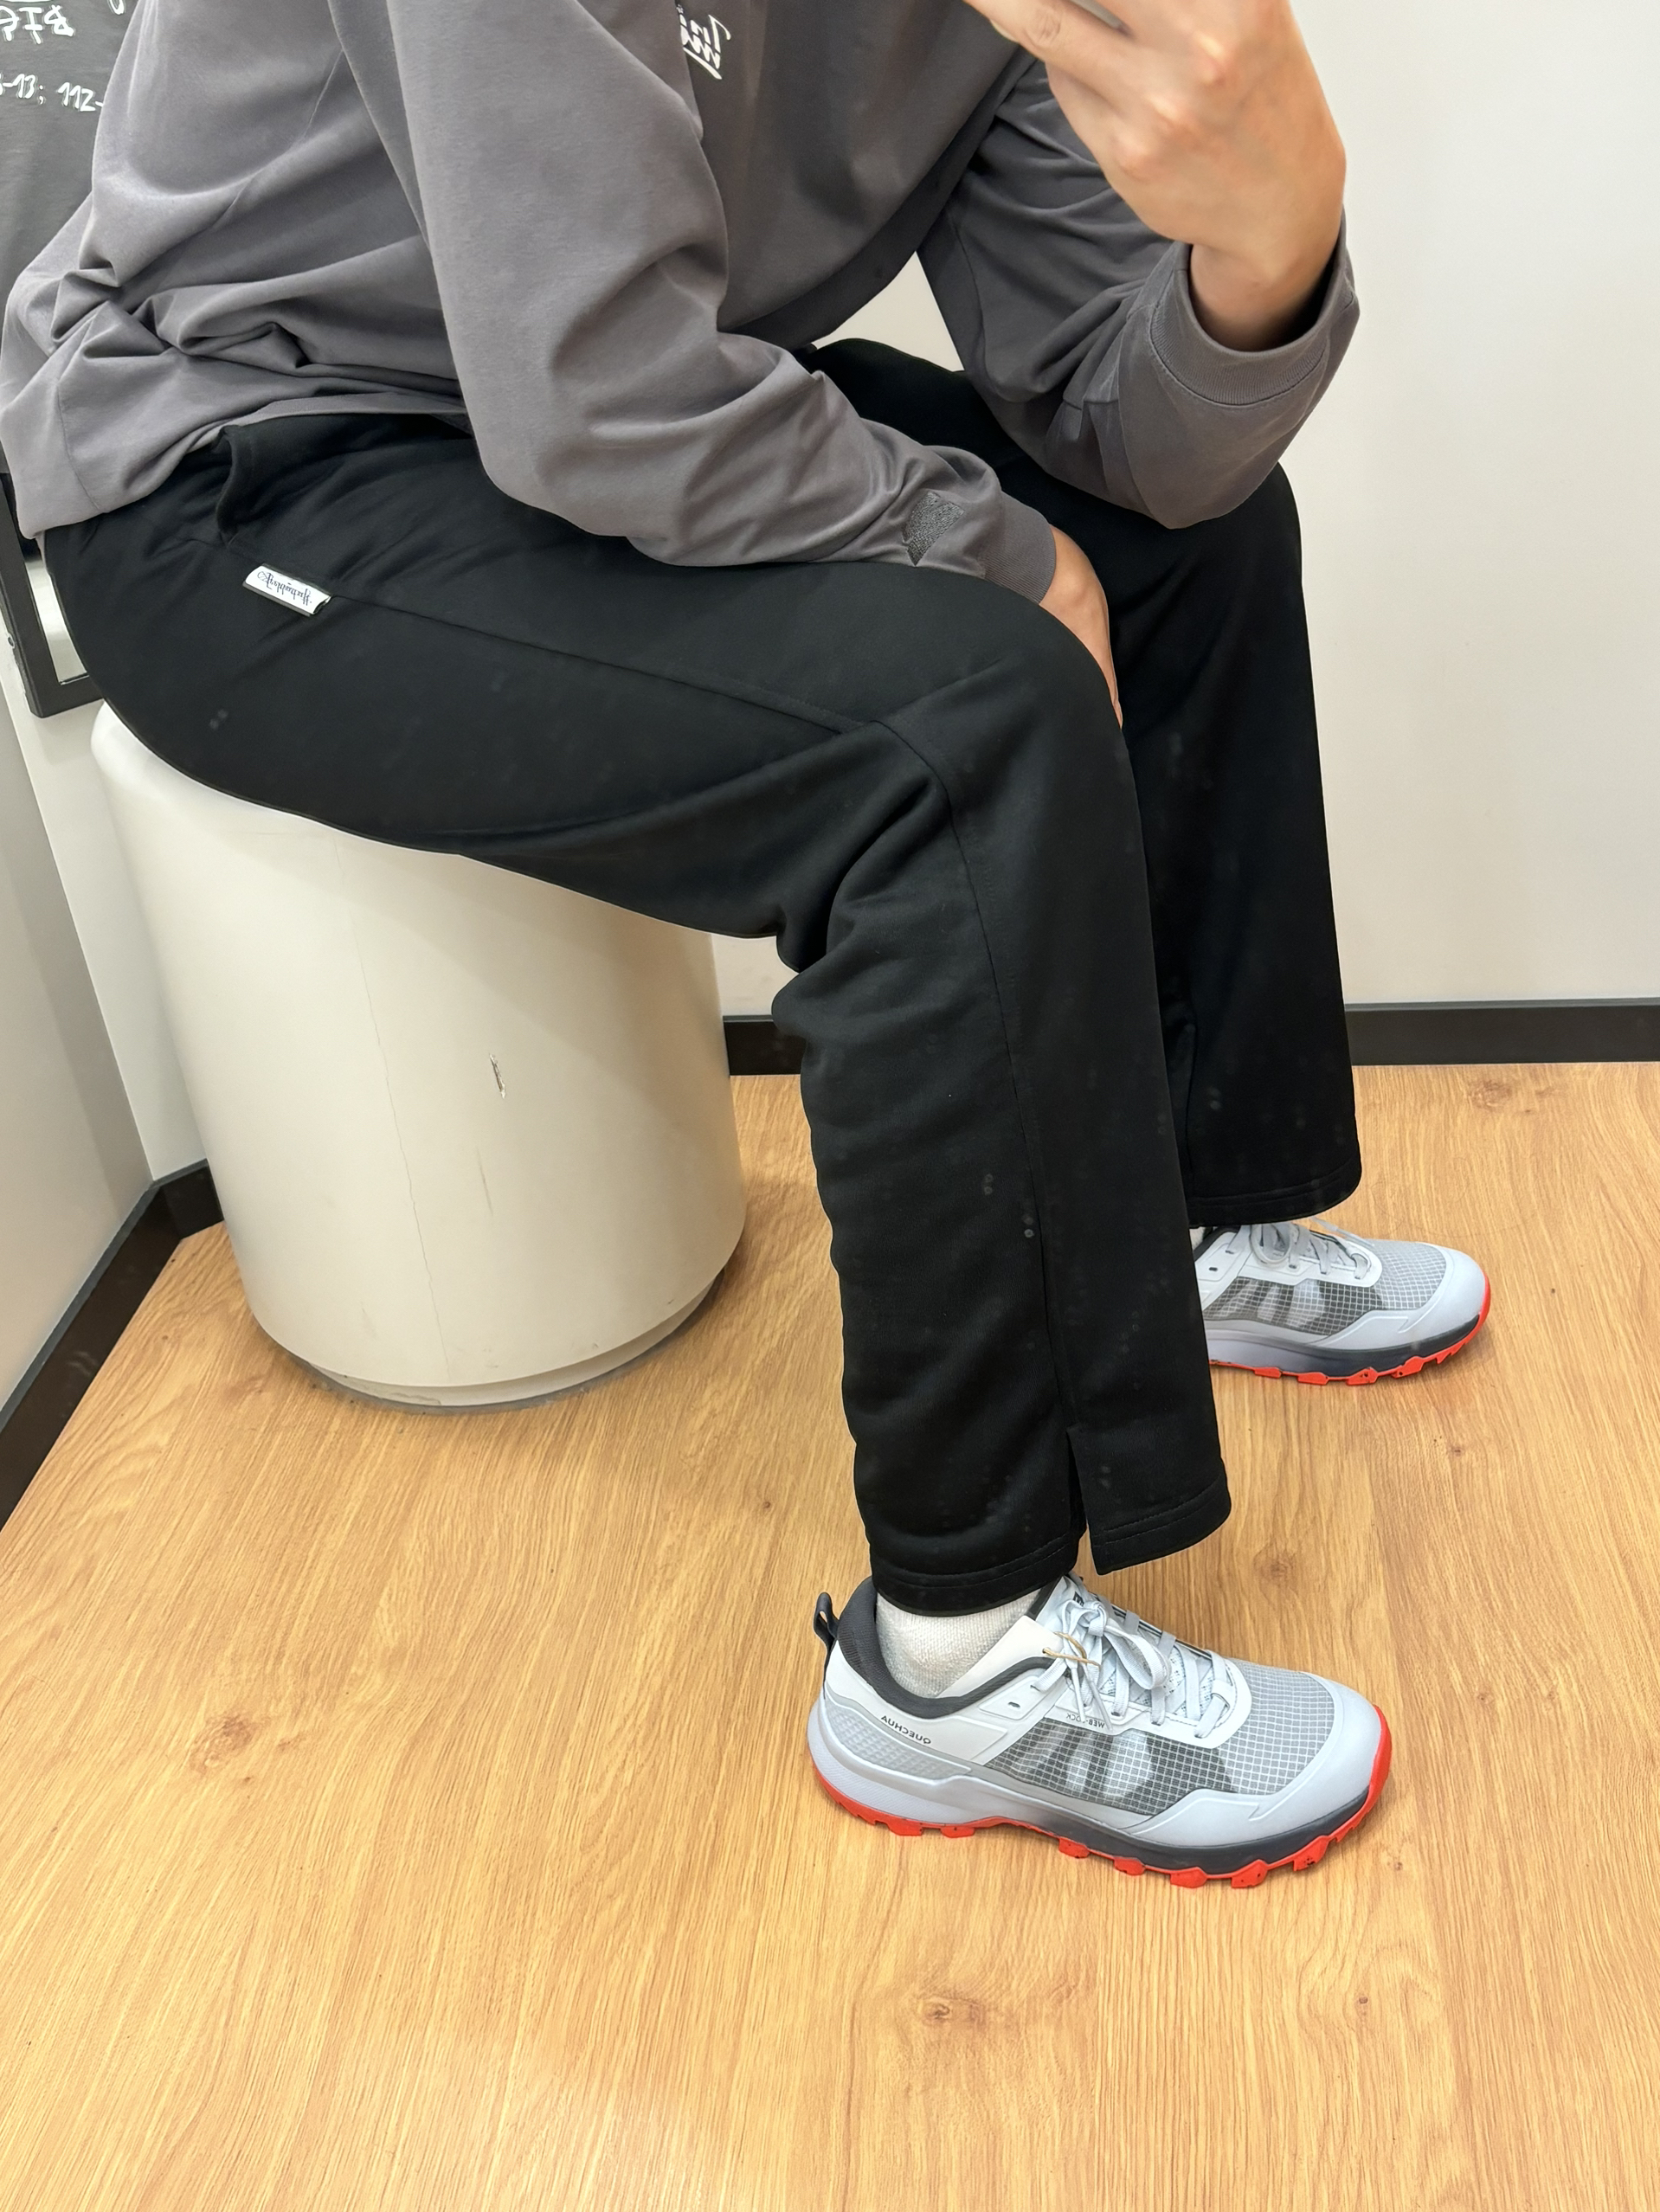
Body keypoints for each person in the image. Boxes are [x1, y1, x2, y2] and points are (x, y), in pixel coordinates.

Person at [0, 0, 1489, 1887]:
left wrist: (1265, 254)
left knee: (1197, 545)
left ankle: (1184, 1219)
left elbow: (1128, 427)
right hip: (248, 463)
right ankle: (948, 1664)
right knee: (961, 732)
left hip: (573, 413)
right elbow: (603, 390)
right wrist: (1003, 561)